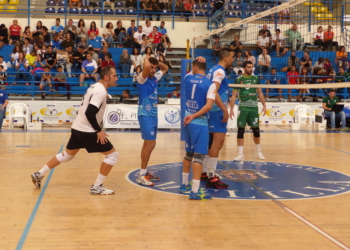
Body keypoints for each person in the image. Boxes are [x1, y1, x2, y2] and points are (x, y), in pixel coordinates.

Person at [31, 66, 119, 195]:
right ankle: (97, 186)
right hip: (87, 129)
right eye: (115, 76)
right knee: (112, 155)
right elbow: (90, 112)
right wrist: (99, 130)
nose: (117, 78)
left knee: (67, 155)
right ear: (107, 77)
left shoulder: (94, 87)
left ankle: (39, 173)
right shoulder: (100, 92)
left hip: (77, 127)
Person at [181, 57, 217, 200]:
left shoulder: (188, 79)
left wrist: (190, 116)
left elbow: (190, 71)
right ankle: (195, 191)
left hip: (187, 121)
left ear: (194, 68)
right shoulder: (210, 84)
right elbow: (208, 106)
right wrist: (194, 116)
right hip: (199, 123)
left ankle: (184, 184)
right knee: (199, 156)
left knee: (188, 154)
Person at [202, 49, 233, 188]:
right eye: (232, 57)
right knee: (218, 143)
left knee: (211, 142)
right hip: (216, 111)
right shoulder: (220, 71)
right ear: (226, 58)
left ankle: (205, 171)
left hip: (213, 110)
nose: (233, 60)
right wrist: (224, 109)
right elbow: (214, 91)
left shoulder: (213, 69)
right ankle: (211, 177)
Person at [136, 57, 168, 186]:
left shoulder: (155, 78)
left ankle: (144, 171)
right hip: (145, 114)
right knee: (149, 144)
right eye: (152, 67)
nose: (154, 69)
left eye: (155, 68)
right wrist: (147, 59)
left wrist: (156, 63)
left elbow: (165, 68)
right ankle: (142, 174)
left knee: (150, 144)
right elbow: (147, 67)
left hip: (153, 115)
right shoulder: (141, 78)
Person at [229, 60, 266, 161]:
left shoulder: (256, 79)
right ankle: (240, 154)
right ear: (244, 68)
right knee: (241, 130)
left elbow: (260, 93)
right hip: (243, 107)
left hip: (253, 107)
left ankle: (258, 151)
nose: (251, 69)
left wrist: (264, 105)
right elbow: (233, 96)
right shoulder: (239, 80)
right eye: (249, 67)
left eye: (252, 67)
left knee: (256, 130)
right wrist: (231, 109)